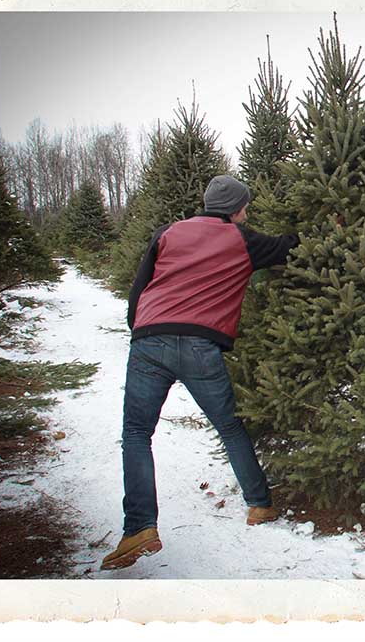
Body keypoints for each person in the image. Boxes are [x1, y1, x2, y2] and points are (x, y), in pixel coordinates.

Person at [101, 175, 300, 571]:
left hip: (149, 340)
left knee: (137, 434)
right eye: (245, 207)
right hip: (200, 346)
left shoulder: (167, 232)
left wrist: (140, 330)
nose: (247, 213)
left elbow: (138, 289)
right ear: (237, 209)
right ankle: (259, 504)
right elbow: (287, 247)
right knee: (229, 427)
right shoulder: (242, 238)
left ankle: (139, 528)